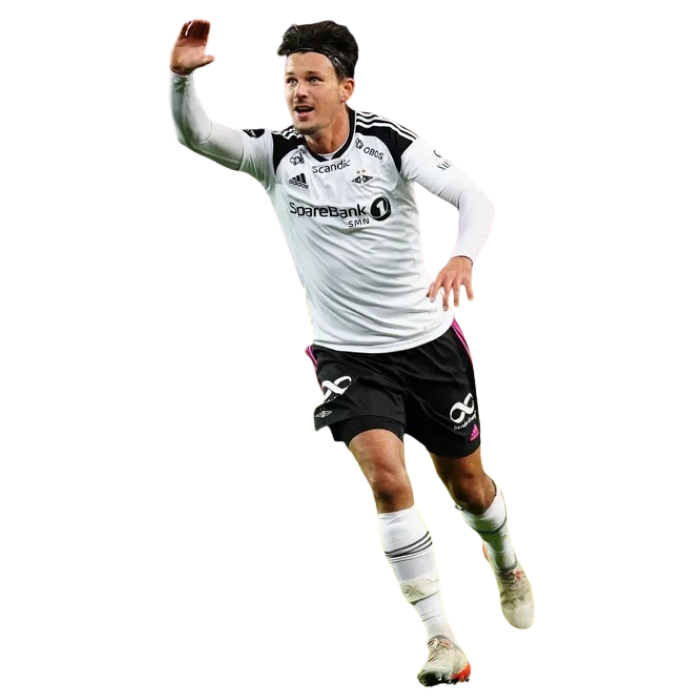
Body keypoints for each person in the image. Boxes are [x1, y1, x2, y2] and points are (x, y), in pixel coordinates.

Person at [168, 18, 534, 688]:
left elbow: (474, 199)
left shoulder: (390, 142)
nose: (297, 92)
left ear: (347, 88)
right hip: (348, 357)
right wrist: (181, 79)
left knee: (470, 489)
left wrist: (461, 256)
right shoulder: (274, 156)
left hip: (427, 346)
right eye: (289, 81)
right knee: (387, 481)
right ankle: (442, 638)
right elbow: (196, 136)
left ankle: (504, 558)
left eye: (312, 79)